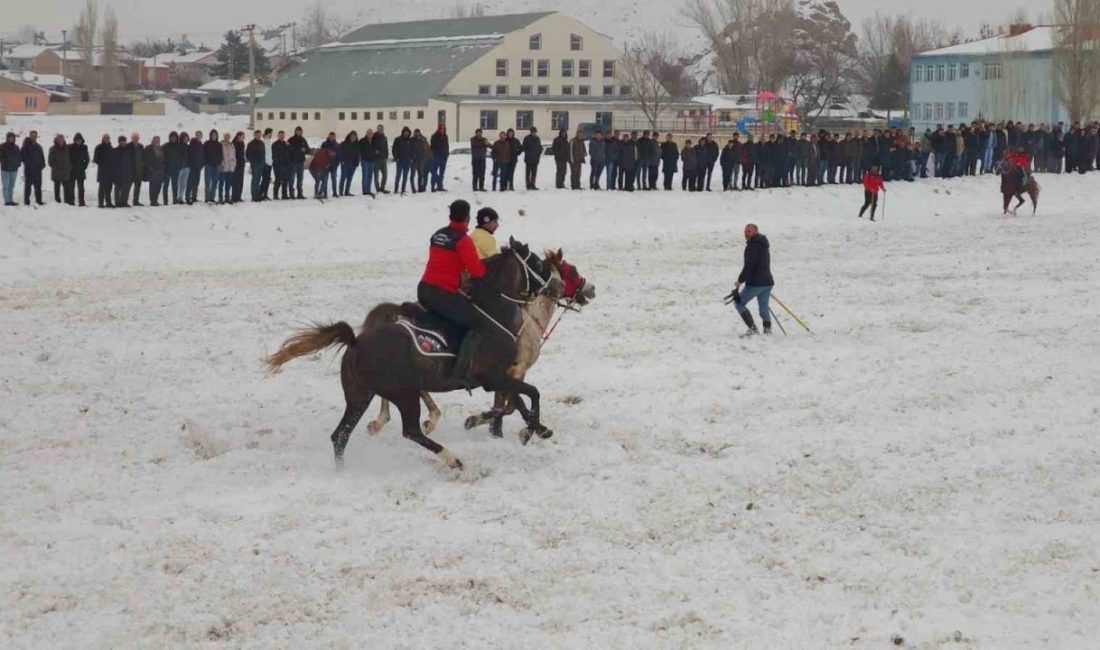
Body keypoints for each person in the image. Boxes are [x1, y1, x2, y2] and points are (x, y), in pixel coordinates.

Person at [417, 200, 488, 385]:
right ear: (467, 218)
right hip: (441, 294)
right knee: (476, 322)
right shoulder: (463, 241)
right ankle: (461, 369)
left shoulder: (437, 235)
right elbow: (476, 271)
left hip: (423, 289)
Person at [733, 223, 774, 337]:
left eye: (749, 231)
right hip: (767, 282)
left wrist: (740, 280)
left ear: (756, 231)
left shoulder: (753, 246)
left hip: (756, 283)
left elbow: (749, 266)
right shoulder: (763, 244)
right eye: (745, 231)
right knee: (763, 308)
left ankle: (753, 330)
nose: (746, 234)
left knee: (738, 303)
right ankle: (767, 330)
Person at [48, 134, 74, 205]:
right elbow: (50, 161)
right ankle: (57, 201)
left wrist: (69, 167)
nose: (61, 141)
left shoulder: (67, 148)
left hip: (66, 171)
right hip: (56, 171)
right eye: (60, 140)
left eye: (62, 140)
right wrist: (56, 168)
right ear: (56, 140)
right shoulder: (52, 149)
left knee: (66, 187)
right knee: (57, 187)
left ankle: (67, 200)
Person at [92, 134, 114, 208]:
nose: (107, 139)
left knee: (109, 188)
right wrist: (102, 164)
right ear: (103, 138)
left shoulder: (111, 147)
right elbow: (95, 159)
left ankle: (108, 202)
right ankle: (100, 203)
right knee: (102, 188)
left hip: (110, 171)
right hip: (102, 170)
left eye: (108, 138)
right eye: (105, 138)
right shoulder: (99, 147)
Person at [287, 127, 310, 199]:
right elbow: (287, 149)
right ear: (295, 131)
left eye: (300, 131)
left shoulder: (303, 140)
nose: (299, 132)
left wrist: (305, 150)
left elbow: (308, 150)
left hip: (300, 162)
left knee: (300, 179)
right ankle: (291, 194)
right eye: (297, 131)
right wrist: (298, 150)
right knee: (291, 179)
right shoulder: (291, 140)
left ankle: (300, 194)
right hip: (293, 162)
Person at [163, 131, 184, 205]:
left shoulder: (179, 146)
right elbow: (162, 157)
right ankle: (165, 201)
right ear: (170, 137)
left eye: (175, 137)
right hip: (167, 169)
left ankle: (175, 200)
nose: (173, 138)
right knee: (165, 185)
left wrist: (180, 165)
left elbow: (182, 157)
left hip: (176, 169)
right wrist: (164, 166)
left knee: (175, 186)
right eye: (172, 137)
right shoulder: (165, 146)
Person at [1, 132, 21, 207]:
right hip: (5, 169)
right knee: (6, 186)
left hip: (14, 169)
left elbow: (19, 157)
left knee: (11, 186)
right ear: (7, 138)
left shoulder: (16, 147)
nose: (11, 139)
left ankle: (11, 200)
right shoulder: (2, 146)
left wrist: (18, 164)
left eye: (12, 137)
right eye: (10, 137)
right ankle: (7, 201)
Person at [143, 136, 165, 207]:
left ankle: (155, 199)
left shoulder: (161, 148)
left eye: (158, 140)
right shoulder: (148, 148)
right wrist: (150, 167)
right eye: (155, 140)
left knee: (159, 185)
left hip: (161, 170)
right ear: (152, 141)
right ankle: (152, 201)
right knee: (153, 186)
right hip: (153, 170)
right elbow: (146, 159)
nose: (156, 141)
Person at [69, 133, 89, 207]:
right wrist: (70, 167)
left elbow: (87, 158)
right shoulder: (70, 147)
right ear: (75, 140)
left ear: (82, 140)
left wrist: (84, 166)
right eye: (77, 140)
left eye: (79, 140)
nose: (78, 141)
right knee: (71, 187)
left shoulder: (84, 147)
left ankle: (81, 201)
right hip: (72, 170)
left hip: (80, 170)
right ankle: (71, 201)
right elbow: (67, 158)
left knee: (81, 187)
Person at [392, 126, 413, 195]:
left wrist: (411, 158)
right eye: (405, 132)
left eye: (407, 132)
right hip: (400, 161)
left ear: (409, 133)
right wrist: (396, 157)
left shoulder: (410, 140)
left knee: (405, 176)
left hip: (407, 161)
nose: (406, 133)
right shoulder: (397, 139)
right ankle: (396, 189)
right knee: (398, 175)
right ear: (403, 132)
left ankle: (403, 189)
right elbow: (394, 149)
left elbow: (413, 150)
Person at [113, 135, 132, 208]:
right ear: (119, 142)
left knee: (126, 188)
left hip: (127, 172)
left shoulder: (128, 150)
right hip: (118, 172)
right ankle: (117, 202)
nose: (123, 142)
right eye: (121, 141)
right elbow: (113, 163)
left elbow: (130, 162)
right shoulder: (115, 150)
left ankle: (124, 202)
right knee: (117, 188)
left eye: (124, 141)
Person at [338, 131, 359, 198]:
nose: (353, 138)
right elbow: (340, 152)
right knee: (343, 178)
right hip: (345, 164)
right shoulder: (344, 143)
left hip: (353, 164)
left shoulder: (357, 145)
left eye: (354, 137)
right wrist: (341, 161)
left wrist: (357, 163)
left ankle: (347, 191)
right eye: (352, 136)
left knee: (349, 179)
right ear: (349, 136)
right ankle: (341, 192)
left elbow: (358, 155)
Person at [203, 129, 222, 203]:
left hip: (216, 165)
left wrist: (220, 163)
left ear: (217, 136)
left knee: (215, 182)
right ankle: (207, 197)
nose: (214, 136)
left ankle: (212, 197)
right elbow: (203, 153)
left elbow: (221, 154)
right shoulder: (206, 143)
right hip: (208, 165)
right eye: (212, 135)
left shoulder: (219, 144)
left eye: (215, 135)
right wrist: (205, 162)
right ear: (210, 135)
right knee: (207, 182)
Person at [246, 130, 266, 202]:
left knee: (258, 179)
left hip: (261, 164)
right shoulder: (251, 144)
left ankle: (258, 195)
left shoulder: (262, 143)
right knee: (254, 180)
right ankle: (254, 196)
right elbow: (248, 155)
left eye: (259, 135)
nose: (258, 136)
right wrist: (253, 161)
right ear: (254, 135)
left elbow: (264, 153)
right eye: (257, 134)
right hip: (255, 164)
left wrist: (263, 162)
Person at [186, 131, 204, 204]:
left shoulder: (201, 145)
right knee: (190, 182)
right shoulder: (192, 144)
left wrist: (202, 165)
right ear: (195, 135)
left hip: (198, 167)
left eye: (200, 135)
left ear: (201, 136)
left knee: (196, 183)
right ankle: (187, 198)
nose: (198, 136)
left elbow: (202, 156)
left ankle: (194, 197)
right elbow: (189, 156)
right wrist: (190, 165)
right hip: (192, 167)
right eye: (197, 135)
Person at [430, 124, 450, 191]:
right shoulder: (434, 136)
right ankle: (433, 186)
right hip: (436, 157)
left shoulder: (445, 136)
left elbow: (447, 146)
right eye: (441, 129)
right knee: (434, 173)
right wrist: (435, 154)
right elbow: (432, 147)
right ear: (438, 129)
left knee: (442, 173)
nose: (442, 130)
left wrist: (447, 154)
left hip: (443, 158)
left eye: (443, 129)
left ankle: (440, 186)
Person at [321, 131, 341, 196]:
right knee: (325, 179)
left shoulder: (337, 145)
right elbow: (321, 154)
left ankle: (334, 192)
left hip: (334, 165)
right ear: (329, 136)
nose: (332, 137)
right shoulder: (324, 144)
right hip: (326, 165)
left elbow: (339, 155)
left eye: (333, 136)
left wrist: (337, 163)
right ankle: (325, 192)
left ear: (335, 137)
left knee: (334, 179)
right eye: (331, 136)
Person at [128, 133, 145, 206]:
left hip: (139, 170)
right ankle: (124, 201)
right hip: (130, 170)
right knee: (127, 187)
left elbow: (143, 157)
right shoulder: (128, 146)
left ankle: (136, 201)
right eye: (134, 138)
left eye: (137, 138)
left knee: (138, 187)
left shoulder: (141, 146)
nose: (136, 139)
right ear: (132, 138)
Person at [272, 131, 290, 200]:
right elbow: (274, 156)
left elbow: (290, 152)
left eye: (283, 135)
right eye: (280, 135)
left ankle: (284, 195)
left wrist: (288, 146)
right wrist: (277, 164)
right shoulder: (275, 144)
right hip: (278, 165)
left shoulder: (286, 144)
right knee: (278, 180)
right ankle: (275, 195)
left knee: (285, 180)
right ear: (278, 136)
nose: (282, 136)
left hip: (286, 165)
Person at [218, 133, 236, 204]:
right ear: (224, 137)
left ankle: (227, 197)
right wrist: (220, 161)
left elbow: (234, 155)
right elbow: (219, 154)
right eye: (226, 137)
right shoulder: (221, 145)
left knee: (228, 184)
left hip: (230, 167)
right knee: (221, 183)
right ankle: (220, 197)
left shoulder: (232, 145)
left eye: (228, 137)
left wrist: (234, 163)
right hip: (223, 167)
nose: (227, 138)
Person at [372, 125, 389, 194]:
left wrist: (386, 155)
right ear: (377, 129)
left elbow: (386, 147)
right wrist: (374, 151)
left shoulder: (385, 138)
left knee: (385, 175)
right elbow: (371, 147)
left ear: (383, 129)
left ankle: (382, 188)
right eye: (379, 129)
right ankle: (378, 189)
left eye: (381, 129)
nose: (380, 130)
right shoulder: (374, 137)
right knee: (376, 175)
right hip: (376, 159)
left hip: (383, 159)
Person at [358, 129, 376, 197]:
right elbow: (359, 150)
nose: (370, 134)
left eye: (371, 133)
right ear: (366, 133)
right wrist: (360, 157)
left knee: (370, 176)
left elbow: (374, 151)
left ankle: (368, 190)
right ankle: (365, 191)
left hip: (371, 161)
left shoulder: (374, 141)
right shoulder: (362, 140)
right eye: (369, 133)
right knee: (365, 176)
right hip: (364, 161)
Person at [231, 131, 246, 203]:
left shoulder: (242, 143)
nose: (244, 137)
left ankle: (238, 196)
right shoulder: (233, 143)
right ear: (238, 136)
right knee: (235, 181)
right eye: (243, 136)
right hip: (235, 165)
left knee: (240, 181)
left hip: (241, 164)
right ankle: (234, 196)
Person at [260, 128, 274, 200]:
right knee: (264, 179)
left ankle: (265, 194)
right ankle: (261, 193)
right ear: (268, 133)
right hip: (265, 163)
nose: (271, 134)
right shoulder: (263, 141)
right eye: (271, 133)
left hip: (269, 163)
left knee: (268, 179)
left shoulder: (269, 140)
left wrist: (271, 161)